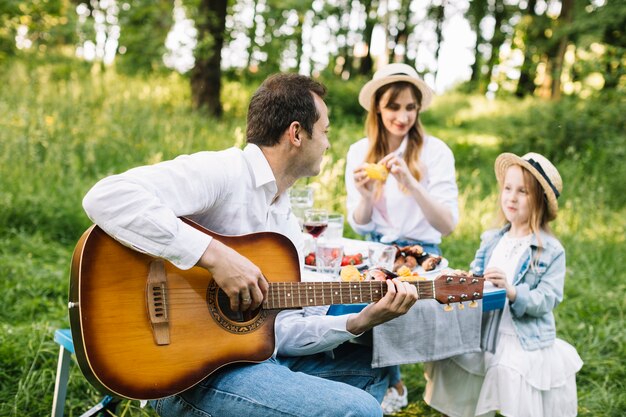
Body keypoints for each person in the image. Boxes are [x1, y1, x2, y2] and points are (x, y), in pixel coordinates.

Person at [82, 73, 419, 417]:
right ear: (297, 133)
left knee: (373, 366)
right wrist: (215, 258)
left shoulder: (285, 220)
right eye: (325, 132)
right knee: (359, 410)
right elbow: (106, 196)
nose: (328, 144)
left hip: (248, 359)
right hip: (182, 372)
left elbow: (278, 331)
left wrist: (360, 321)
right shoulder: (225, 172)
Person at [423, 152, 583, 417]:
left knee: (507, 373)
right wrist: (469, 280)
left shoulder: (550, 250)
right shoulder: (492, 239)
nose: (512, 197)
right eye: (508, 188)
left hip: (520, 336)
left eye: (523, 192)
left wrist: (512, 291)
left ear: (540, 202)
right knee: (450, 357)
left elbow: (547, 299)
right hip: (485, 329)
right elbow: (478, 278)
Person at [345, 63, 459, 413]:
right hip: (378, 250)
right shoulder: (358, 151)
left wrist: (411, 182)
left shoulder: (435, 151)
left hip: (423, 254)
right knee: (355, 300)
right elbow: (360, 224)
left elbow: (448, 224)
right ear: (378, 107)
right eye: (394, 107)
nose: (402, 116)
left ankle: (406, 381)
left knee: (398, 299)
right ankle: (385, 380)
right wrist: (365, 196)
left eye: (410, 107)